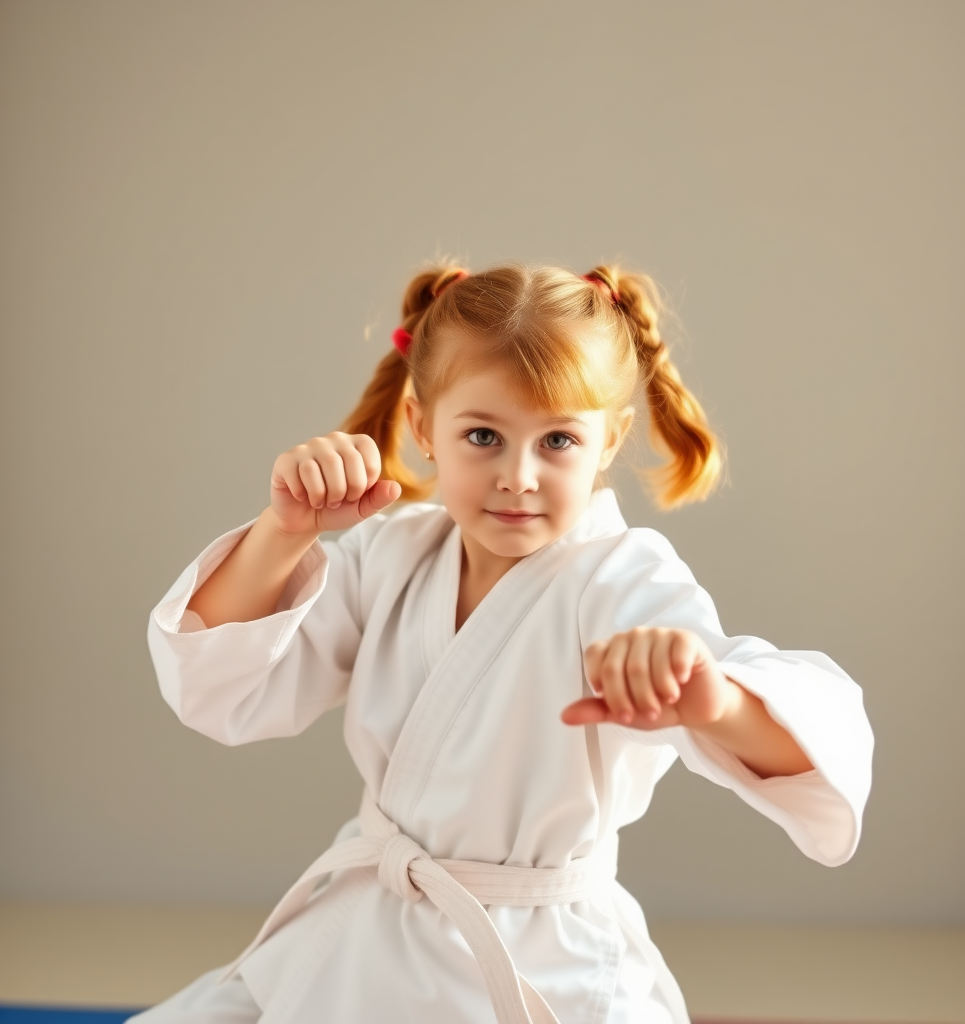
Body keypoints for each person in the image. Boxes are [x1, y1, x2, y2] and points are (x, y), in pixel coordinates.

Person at [139, 262, 873, 1024]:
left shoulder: (621, 577)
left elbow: (801, 734)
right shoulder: (391, 554)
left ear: (611, 438)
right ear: (424, 428)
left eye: (557, 439)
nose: (518, 477)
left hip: (540, 961)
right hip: (365, 935)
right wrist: (282, 534)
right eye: (483, 436)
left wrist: (711, 700)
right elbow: (220, 686)